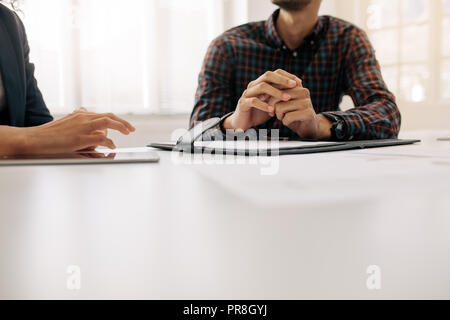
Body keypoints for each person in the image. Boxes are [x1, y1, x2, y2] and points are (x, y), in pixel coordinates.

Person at [191, 0, 401, 141]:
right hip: (243, 181)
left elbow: (387, 114)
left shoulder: (348, 40)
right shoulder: (227, 46)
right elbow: (194, 133)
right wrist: (234, 123)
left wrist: (321, 125)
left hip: (324, 182)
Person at [0, 1, 135, 156]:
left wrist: (74, 135)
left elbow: (37, 123)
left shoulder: (9, 23)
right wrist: (39, 138)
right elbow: (38, 136)